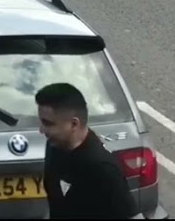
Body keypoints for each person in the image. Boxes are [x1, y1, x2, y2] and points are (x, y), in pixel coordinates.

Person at [35, 83, 140, 219]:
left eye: (48, 123)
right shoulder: (54, 147)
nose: (41, 130)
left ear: (73, 124)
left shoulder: (103, 169)